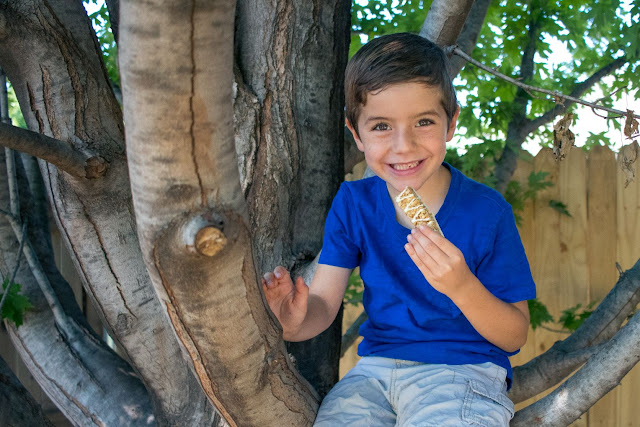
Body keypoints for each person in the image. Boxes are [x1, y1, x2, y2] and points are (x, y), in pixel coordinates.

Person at [262, 32, 536, 426]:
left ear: (451, 123)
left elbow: (514, 336)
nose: (403, 146)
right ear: (356, 134)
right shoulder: (354, 204)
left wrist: (461, 286)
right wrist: (292, 323)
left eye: (424, 121)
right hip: (373, 374)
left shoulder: (487, 212)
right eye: (381, 127)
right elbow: (322, 306)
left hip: (463, 371)